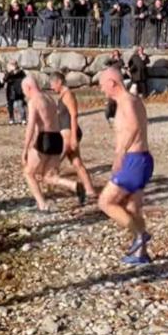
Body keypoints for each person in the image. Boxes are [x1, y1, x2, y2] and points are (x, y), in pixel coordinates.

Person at [97, 68, 154, 265]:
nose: (101, 88)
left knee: (105, 202)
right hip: (143, 159)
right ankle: (141, 255)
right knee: (132, 207)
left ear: (112, 82)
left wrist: (120, 154)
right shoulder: (134, 99)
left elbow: (133, 127)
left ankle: (140, 235)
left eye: (102, 84)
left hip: (133, 159)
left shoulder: (126, 101)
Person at [49, 71, 97, 203]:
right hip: (66, 133)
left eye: (52, 84)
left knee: (52, 166)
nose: (52, 87)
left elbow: (74, 115)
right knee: (77, 163)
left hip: (69, 134)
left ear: (58, 82)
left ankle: (72, 187)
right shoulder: (62, 95)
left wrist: (74, 137)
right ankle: (90, 190)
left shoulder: (68, 95)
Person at [20, 77, 66, 211]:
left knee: (29, 172)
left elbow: (31, 126)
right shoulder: (50, 98)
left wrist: (25, 148)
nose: (24, 94)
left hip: (45, 137)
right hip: (57, 137)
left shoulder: (34, 101)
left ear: (28, 88)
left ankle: (42, 204)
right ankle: (72, 186)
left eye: (24, 91)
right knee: (48, 175)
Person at [4, 60, 27, 124]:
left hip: (19, 90)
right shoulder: (8, 72)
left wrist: (18, 72)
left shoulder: (21, 72)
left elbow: (25, 78)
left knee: (21, 105)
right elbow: (5, 79)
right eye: (12, 64)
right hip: (10, 91)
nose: (13, 65)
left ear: (17, 64)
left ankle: (23, 119)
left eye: (14, 64)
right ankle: (11, 118)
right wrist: (10, 72)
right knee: (10, 105)